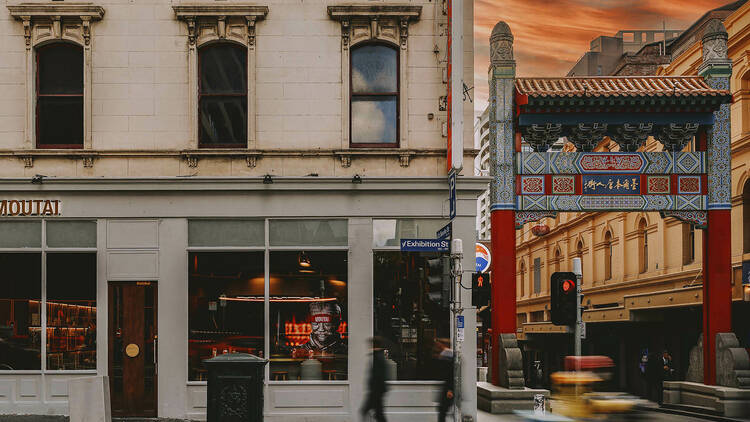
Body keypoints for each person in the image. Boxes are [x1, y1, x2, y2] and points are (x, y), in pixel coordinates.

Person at [361, 337, 388, 422]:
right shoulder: (377, 356)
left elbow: (378, 375)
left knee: (364, 411)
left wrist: (373, 390)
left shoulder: (377, 357)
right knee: (379, 415)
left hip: (376, 391)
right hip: (377, 390)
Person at [433, 339, 454, 422]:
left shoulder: (447, 355)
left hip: (448, 388)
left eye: (439, 344)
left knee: (442, 411)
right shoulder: (448, 355)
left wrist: (450, 389)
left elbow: (449, 373)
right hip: (448, 387)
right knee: (443, 410)